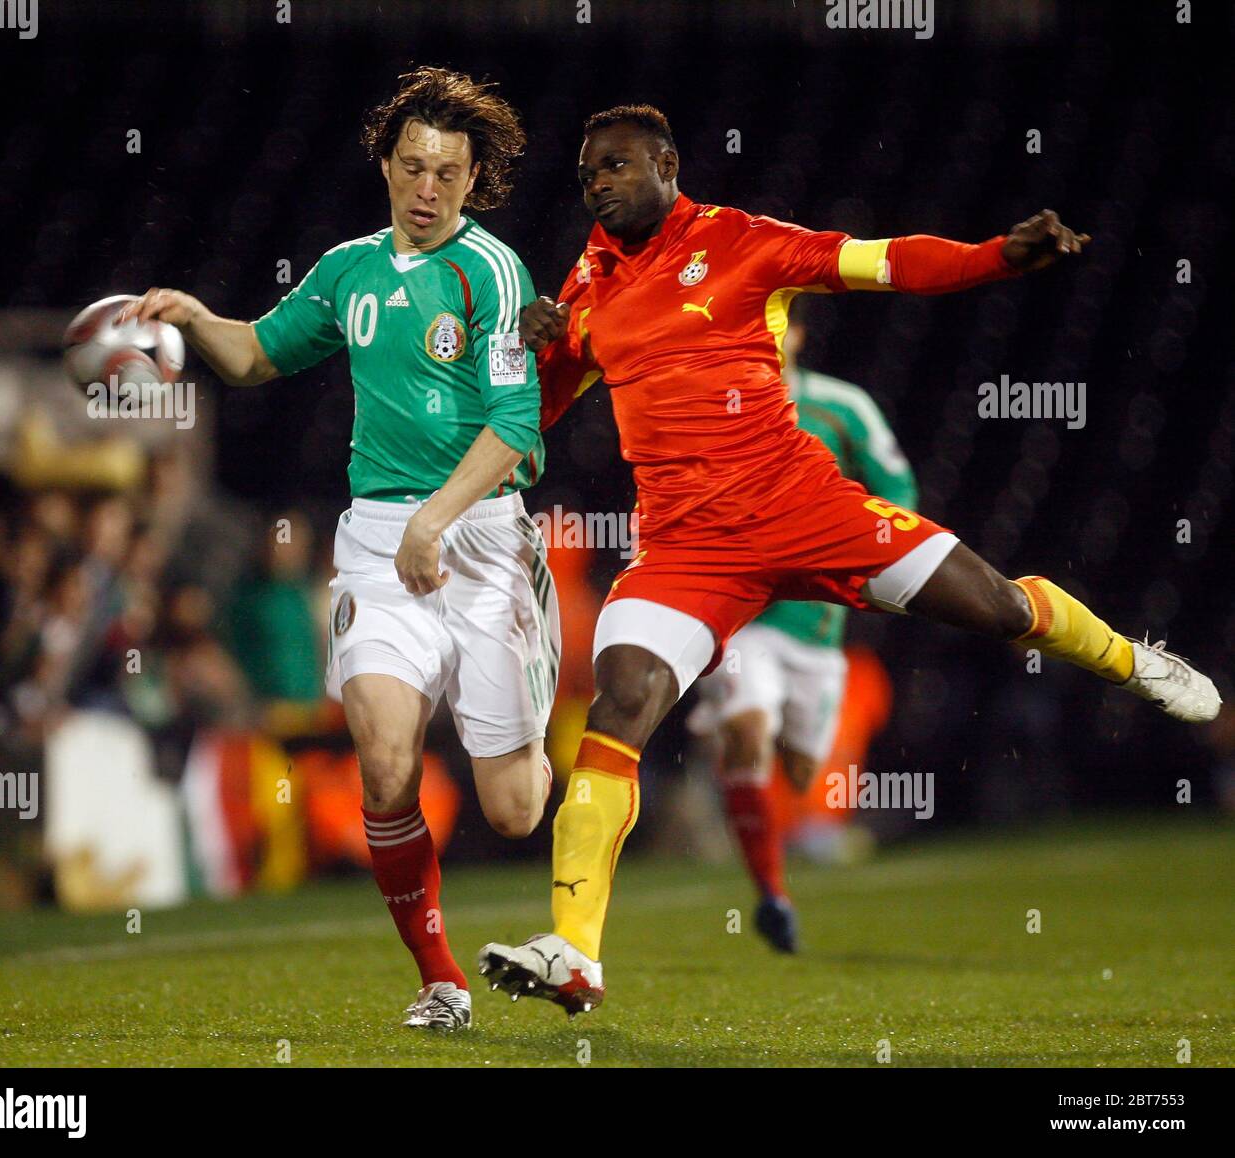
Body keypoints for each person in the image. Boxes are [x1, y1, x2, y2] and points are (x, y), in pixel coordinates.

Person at [478, 103, 1220, 1017]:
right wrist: (529, 354)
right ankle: (575, 951)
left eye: (618, 166)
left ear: (668, 164)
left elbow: (883, 260)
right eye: (589, 172)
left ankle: (1134, 661)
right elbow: (534, 421)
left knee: (997, 607)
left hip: (803, 507)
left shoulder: (744, 241)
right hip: (685, 547)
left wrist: (996, 256)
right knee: (620, 701)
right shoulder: (586, 289)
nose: (598, 183)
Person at [121, 67, 559, 1030]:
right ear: (387, 169)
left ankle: (536, 673)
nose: (428, 187)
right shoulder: (347, 268)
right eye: (412, 168)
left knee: (517, 807)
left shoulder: (491, 271)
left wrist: (437, 518)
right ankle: (441, 982)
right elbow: (258, 355)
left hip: (478, 539)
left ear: (474, 175)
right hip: (377, 542)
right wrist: (197, 319)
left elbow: (517, 422)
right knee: (383, 757)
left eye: (448, 170)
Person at [689, 313, 917, 952]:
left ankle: (770, 822)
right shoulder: (712, 407)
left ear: (797, 336)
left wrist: (871, 560)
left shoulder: (842, 406)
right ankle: (771, 892)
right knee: (747, 733)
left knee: (798, 768)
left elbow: (896, 488)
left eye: (778, 325)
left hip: (817, 625)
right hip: (743, 619)